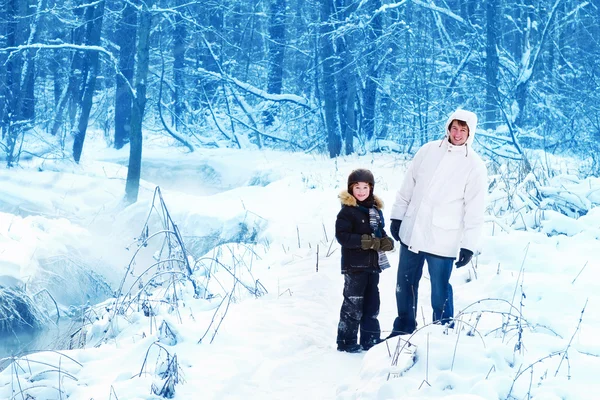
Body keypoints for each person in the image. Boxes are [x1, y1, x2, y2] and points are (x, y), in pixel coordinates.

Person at [388, 109, 487, 337]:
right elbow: (408, 187)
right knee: (405, 284)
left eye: (463, 130)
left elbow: (474, 210)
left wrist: (468, 245)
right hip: (413, 231)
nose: (457, 133)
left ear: (470, 133)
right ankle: (403, 328)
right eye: (454, 128)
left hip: (444, 238)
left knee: (440, 289)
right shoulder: (428, 151)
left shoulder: (474, 166)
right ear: (448, 127)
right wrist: (398, 216)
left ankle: (442, 333)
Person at [335, 169, 395, 352]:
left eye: (365, 187)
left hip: (372, 265)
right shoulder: (347, 212)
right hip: (354, 266)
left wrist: (386, 241)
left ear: (371, 188)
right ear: (351, 189)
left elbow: (379, 233)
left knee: (372, 303)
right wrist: (365, 242)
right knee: (353, 303)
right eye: (357, 187)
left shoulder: (375, 211)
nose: (361, 191)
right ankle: (347, 341)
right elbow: (342, 236)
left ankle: (370, 340)